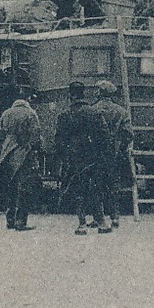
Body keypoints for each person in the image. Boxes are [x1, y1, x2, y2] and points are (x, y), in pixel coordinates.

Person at [55, 80, 109, 234]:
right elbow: (104, 136)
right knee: (96, 188)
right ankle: (101, 223)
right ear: (83, 93)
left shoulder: (64, 115)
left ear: (70, 95)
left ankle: (82, 224)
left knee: (79, 191)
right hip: (94, 156)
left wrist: (65, 157)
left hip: (74, 158)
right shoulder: (94, 112)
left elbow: (59, 141)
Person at [0, 91, 41, 231]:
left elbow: (0, 138)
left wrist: (5, 148)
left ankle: (10, 220)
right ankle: (21, 221)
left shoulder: (6, 114)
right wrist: (34, 149)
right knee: (24, 188)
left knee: (11, 188)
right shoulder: (30, 114)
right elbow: (36, 136)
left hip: (7, 155)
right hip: (24, 155)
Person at [93, 79, 131, 229]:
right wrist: (120, 147)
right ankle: (115, 217)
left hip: (95, 153)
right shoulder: (121, 112)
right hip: (113, 154)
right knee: (113, 186)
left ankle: (99, 217)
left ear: (99, 93)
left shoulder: (93, 110)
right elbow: (128, 134)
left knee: (96, 186)